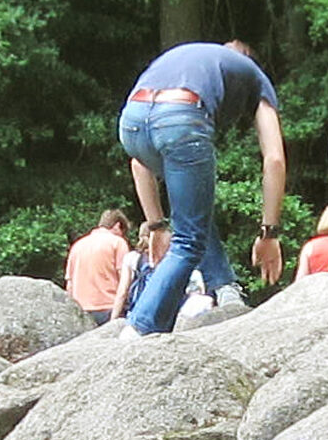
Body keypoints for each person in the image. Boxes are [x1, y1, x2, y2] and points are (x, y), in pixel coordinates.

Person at [116, 39, 287, 337]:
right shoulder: (254, 74)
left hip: (131, 121)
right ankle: (137, 329)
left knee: (193, 217)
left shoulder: (187, 59)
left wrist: (156, 225)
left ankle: (224, 286)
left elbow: (138, 162)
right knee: (188, 241)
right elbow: (274, 159)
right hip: (182, 117)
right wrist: (269, 232)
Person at [65, 208, 132, 323]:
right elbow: (124, 282)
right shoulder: (117, 242)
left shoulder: (77, 245)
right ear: (117, 225)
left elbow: (69, 285)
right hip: (109, 308)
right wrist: (115, 318)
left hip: (81, 311)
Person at [110, 220, 170, 322]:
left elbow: (122, 292)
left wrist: (113, 319)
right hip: (164, 312)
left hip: (137, 312)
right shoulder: (170, 258)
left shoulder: (132, 258)